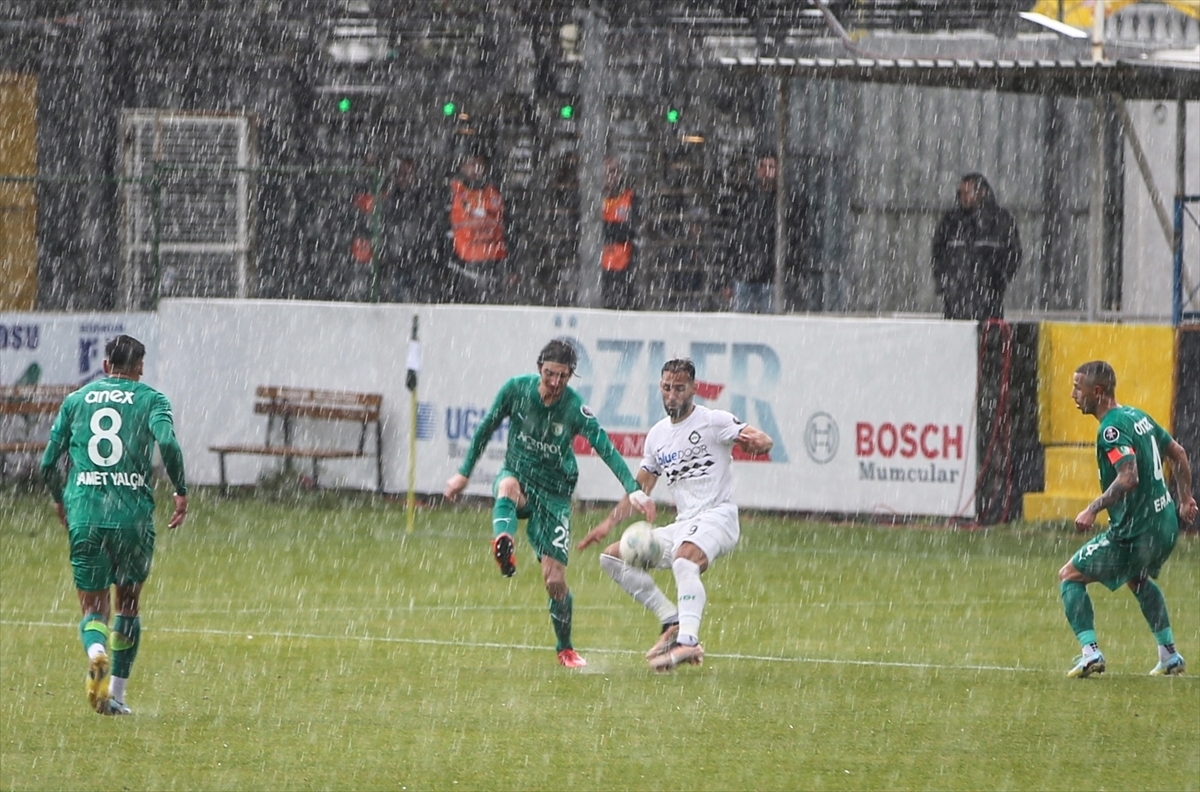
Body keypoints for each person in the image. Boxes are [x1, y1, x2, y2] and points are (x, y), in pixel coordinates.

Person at [443, 339, 655, 668]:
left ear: (572, 376)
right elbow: (486, 428)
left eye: (563, 376)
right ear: (539, 368)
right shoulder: (516, 390)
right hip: (520, 477)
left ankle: (565, 648)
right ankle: (505, 541)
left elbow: (604, 446)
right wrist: (463, 473)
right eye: (550, 374)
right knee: (507, 486)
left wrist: (634, 488)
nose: (555, 382)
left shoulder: (573, 407)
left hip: (555, 494)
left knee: (555, 582)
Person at [577, 358, 774, 671]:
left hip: (718, 517)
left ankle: (688, 642)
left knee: (684, 561)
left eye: (679, 388)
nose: (672, 395)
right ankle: (671, 619)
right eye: (667, 388)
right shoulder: (657, 436)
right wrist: (608, 523)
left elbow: (763, 439)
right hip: (685, 524)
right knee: (612, 558)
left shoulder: (713, 420)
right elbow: (642, 486)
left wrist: (758, 444)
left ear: (694, 389)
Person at [39, 335, 188, 715]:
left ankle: (96, 650)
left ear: (105, 366)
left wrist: (60, 498)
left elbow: (46, 463)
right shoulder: (152, 399)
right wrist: (180, 489)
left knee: (93, 609)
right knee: (129, 605)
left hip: (86, 512)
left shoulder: (76, 401)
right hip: (131, 516)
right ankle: (117, 696)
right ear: (138, 368)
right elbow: (168, 443)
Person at [1059, 360, 1196, 678]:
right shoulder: (1137, 416)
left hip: (1136, 532)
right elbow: (1179, 453)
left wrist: (1092, 509)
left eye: (1078, 388)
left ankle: (1090, 653)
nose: (1072, 394)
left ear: (1097, 391)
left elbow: (1129, 477)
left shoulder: (1111, 428)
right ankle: (1169, 654)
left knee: (1069, 576)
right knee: (1137, 579)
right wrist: (1185, 498)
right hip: (1164, 525)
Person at [931, 173, 1021, 321]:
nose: (964, 197)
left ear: (983, 192)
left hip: (989, 304)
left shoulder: (1001, 221)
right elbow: (938, 253)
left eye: (968, 192)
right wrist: (944, 282)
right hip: (955, 304)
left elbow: (1014, 254)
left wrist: (1001, 278)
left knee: (988, 341)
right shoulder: (951, 221)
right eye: (961, 193)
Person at [447, 154, 510, 304]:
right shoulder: (452, 193)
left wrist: (509, 267)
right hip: (461, 270)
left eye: (479, 164)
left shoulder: (495, 194)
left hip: (492, 270)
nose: (475, 169)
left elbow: (508, 230)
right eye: (471, 163)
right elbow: (441, 230)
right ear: (461, 165)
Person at [727, 155, 779, 314]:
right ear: (756, 170)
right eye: (762, 166)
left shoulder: (784, 204)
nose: (766, 171)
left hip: (771, 280)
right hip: (744, 278)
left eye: (771, 167)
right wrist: (728, 278)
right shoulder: (745, 201)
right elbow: (733, 241)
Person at [600, 157, 638, 310]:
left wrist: (608, 229)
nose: (611, 176)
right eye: (607, 172)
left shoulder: (630, 197)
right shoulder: (594, 198)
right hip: (599, 267)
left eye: (614, 171)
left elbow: (632, 229)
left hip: (624, 265)